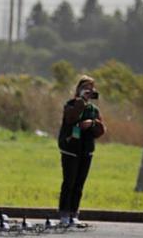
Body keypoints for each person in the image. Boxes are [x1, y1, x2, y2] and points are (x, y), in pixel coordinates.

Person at [57, 75, 106, 228]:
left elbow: (101, 130)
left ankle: (74, 213)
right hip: (71, 149)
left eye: (92, 90)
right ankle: (64, 213)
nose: (90, 92)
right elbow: (70, 119)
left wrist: (91, 123)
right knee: (69, 182)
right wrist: (80, 101)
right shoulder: (71, 105)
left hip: (86, 150)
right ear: (79, 90)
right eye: (86, 89)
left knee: (79, 183)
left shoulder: (94, 110)